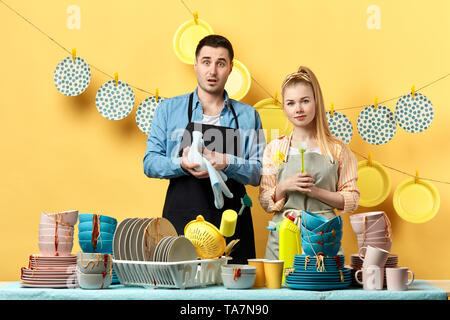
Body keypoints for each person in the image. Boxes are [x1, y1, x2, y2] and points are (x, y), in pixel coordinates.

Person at [143, 35, 265, 263]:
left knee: (235, 289)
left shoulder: (249, 115)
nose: (213, 71)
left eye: (221, 63)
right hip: (183, 217)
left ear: (230, 68)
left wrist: (228, 162)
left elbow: (259, 173)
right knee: (181, 285)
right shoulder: (168, 109)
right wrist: (181, 163)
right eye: (206, 62)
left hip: (232, 221)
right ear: (196, 65)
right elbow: (149, 163)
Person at [259, 66, 360, 260]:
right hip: (283, 236)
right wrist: (284, 186)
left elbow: (352, 201)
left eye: (305, 101)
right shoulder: (274, 149)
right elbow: (265, 201)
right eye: (290, 103)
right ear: (284, 107)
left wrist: (316, 192)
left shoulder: (337, 150)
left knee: (322, 288)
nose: (298, 109)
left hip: (324, 238)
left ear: (316, 102)